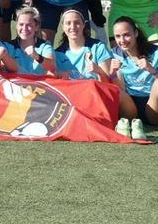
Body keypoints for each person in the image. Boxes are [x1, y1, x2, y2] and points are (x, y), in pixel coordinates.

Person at [53, 10, 143, 139]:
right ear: (63, 27)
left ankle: (125, 122)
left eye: (77, 23)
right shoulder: (58, 54)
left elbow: (109, 84)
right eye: (68, 23)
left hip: (100, 99)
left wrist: (98, 71)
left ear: (84, 25)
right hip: (78, 103)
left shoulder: (97, 47)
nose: (73, 27)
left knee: (120, 97)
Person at [108, 16, 158, 131]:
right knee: (113, 90)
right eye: (118, 36)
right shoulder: (114, 54)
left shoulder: (157, 52)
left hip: (154, 105)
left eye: (126, 35)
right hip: (130, 107)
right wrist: (113, 73)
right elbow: (118, 89)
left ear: (136, 33)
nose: (122, 40)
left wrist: (152, 71)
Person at [0, 6, 56, 76]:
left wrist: (37, 56)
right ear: (16, 26)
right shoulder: (8, 46)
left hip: (38, 85)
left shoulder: (44, 46)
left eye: (29, 25)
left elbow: (52, 67)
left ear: (36, 27)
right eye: (21, 24)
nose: (24, 28)